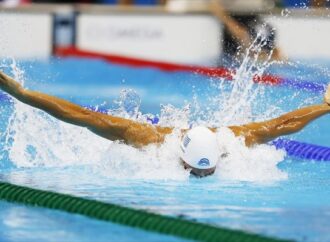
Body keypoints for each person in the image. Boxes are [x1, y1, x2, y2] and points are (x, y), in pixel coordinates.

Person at [0, 71, 330, 177]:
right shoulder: (151, 140)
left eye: (207, 172)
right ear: (181, 161)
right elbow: (85, 117)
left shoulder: (232, 141)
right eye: (197, 172)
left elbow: (283, 124)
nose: (201, 177)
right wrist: (22, 93)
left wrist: (325, 106)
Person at [209, 0, 284, 61]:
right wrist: (232, 26)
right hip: (235, 21)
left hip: (254, 19)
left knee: (274, 54)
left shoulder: (261, 28)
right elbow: (213, 5)